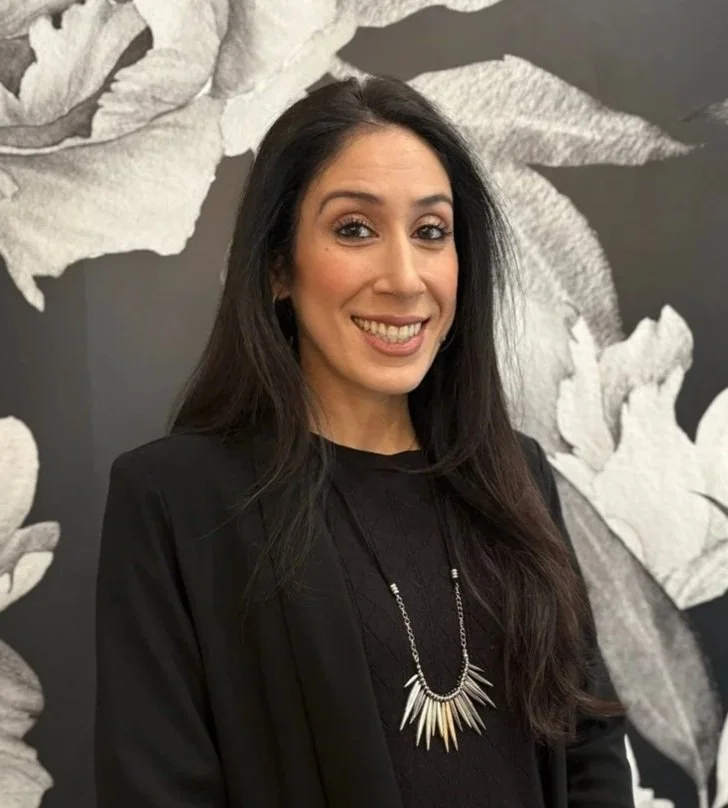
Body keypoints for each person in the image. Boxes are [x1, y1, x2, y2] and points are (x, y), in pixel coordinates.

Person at [94, 76, 635, 808]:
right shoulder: (178, 500)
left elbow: (586, 742)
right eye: (355, 229)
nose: (405, 279)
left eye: (431, 232)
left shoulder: (517, 474)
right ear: (278, 267)